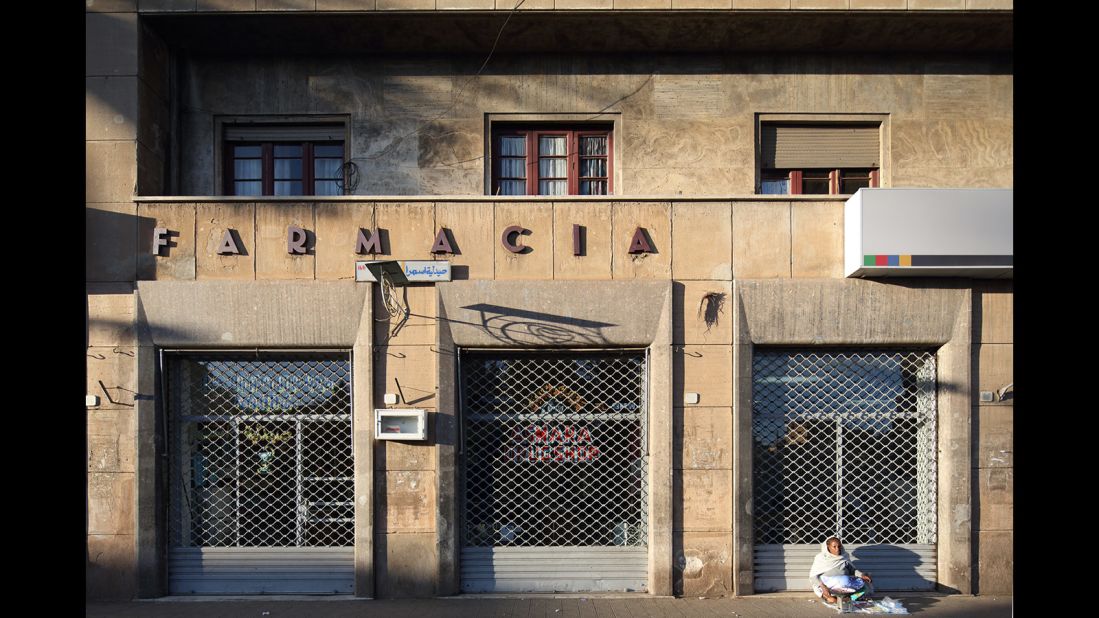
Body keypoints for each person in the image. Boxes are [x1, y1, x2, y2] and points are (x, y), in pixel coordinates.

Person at [809, 537, 873, 606]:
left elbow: (853, 570)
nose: (837, 549)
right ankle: (831, 598)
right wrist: (823, 587)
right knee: (822, 591)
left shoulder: (844, 556)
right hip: (828, 586)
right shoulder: (821, 558)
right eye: (834, 547)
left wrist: (861, 575)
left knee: (866, 586)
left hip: (846, 586)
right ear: (828, 547)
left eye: (839, 546)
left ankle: (849, 598)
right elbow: (813, 576)